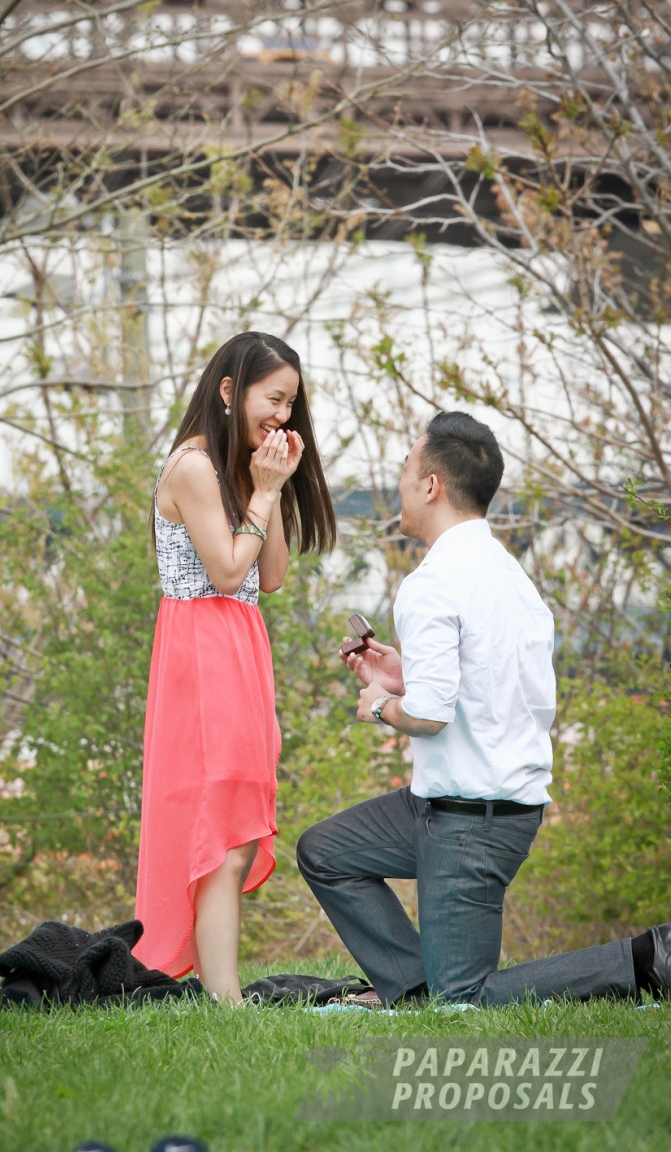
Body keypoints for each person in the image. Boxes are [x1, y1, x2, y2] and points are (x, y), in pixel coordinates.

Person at [297, 410, 670, 1006]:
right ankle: (411, 987)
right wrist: (404, 673)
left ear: (430, 485)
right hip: (442, 805)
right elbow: (486, 684)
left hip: (474, 820)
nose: (398, 484)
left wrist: (379, 705)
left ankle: (647, 959)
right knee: (326, 852)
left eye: (404, 470)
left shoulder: (433, 582)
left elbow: (431, 717)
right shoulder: (510, 576)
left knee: (464, 1000)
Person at [134, 331, 335, 1004]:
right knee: (219, 828)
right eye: (274, 399)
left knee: (238, 829)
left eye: (291, 404)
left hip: (241, 649)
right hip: (201, 650)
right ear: (229, 392)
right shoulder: (192, 467)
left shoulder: (239, 470)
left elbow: (268, 576)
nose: (283, 415)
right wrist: (262, 491)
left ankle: (221, 989)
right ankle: (225, 998)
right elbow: (224, 572)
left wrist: (267, 485)